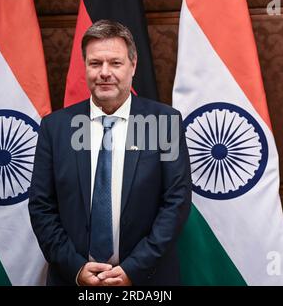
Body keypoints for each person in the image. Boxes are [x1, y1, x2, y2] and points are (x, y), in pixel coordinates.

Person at [29, 20, 191, 286]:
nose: (104, 73)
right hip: (73, 279)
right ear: (86, 67)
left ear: (133, 65)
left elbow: (176, 203)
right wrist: (76, 269)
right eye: (95, 64)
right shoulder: (55, 128)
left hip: (147, 280)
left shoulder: (165, 123)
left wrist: (133, 269)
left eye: (115, 63)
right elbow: (41, 207)